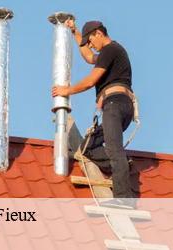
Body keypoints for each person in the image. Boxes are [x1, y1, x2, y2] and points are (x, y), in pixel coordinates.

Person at [51, 20, 139, 207]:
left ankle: (124, 199)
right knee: (86, 148)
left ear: (99, 33)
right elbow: (89, 57)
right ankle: (124, 165)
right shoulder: (108, 53)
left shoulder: (111, 49)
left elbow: (91, 81)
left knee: (115, 148)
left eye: (90, 40)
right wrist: (76, 34)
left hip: (115, 104)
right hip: (116, 105)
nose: (90, 45)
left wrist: (67, 90)